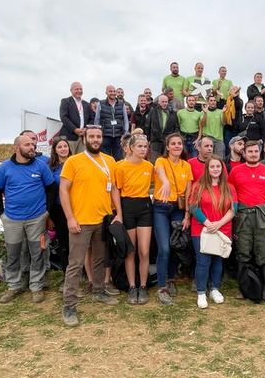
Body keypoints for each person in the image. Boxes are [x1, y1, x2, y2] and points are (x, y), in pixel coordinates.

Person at [60, 126, 124, 326]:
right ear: (85, 138)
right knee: (76, 263)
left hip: (103, 219)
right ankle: (69, 305)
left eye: (98, 136)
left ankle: (98, 291)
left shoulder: (110, 161)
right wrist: (70, 218)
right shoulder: (73, 161)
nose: (96, 139)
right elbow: (63, 190)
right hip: (81, 220)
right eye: (92, 136)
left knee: (99, 258)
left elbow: (113, 188)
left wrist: (118, 213)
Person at [0, 134, 55, 304]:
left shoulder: (41, 166)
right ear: (16, 147)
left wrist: (47, 212)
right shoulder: (5, 168)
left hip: (37, 218)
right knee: (13, 253)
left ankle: (36, 286)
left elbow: (51, 189)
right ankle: (14, 285)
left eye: (33, 145)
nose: (32, 147)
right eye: (27, 145)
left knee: (37, 253)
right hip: (12, 219)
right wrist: (2, 215)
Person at [228, 140, 265, 302]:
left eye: (256, 151)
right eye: (250, 151)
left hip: (262, 216)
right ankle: (243, 289)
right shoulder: (236, 171)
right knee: (243, 251)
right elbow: (231, 193)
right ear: (244, 153)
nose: (253, 154)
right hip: (243, 217)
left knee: (263, 251)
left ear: (260, 152)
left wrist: (262, 206)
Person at [188, 155, 237, 309]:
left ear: (222, 169)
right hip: (202, 230)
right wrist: (208, 223)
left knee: (218, 260)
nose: (215, 169)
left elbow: (233, 209)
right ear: (207, 169)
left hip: (222, 229)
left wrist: (219, 224)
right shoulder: (198, 186)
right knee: (203, 261)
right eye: (212, 167)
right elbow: (193, 207)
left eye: (218, 166)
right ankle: (201, 292)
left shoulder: (230, 187)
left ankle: (214, 289)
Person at [152, 133, 193, 305]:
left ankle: (170, 279)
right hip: (161, 208)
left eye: (179, 144)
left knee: (176, 244)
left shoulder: (186, 166)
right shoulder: (161, 161)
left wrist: (187, 216)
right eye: (173, 144)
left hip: (178, 209)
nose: (177, 146)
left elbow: (189, 193)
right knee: (164, 248)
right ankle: (162, 288)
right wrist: (165, 182)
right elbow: (160, 172)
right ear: (167, 147)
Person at [114, 133, 154, 305]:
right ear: (131, 148)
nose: (143, 149)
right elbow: (115, 189)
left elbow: (157, 182)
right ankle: (132, 286)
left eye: (145, 147)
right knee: (130, 251)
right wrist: (119, 213)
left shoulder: (149, 166)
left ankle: (143, 286)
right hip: (127, 207)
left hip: (145, 207)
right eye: (140, 146)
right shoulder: (120, 166)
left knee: (144, 251)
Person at [47, 137, 72, 273]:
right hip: (58, 209)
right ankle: (66, 272)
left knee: (77, 242)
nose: (63, 149)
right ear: (55, 150)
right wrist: (49, 216)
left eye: (65, 146)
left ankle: (82, 271)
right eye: (60, 147)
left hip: (77, 207)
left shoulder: (77, 163)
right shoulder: (50, 168)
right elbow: (48, 192)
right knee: (63, 242)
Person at [94, 85, 129, 160]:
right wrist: (98, 134)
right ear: (106, 92)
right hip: (105, 135)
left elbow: (125, 119)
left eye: (114, 91)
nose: (112, 93)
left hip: (118, 136)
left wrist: (125, 133)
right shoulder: (101, 103)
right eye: (110, 91)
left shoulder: (122, 104)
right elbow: (97, 120)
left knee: (119, 159)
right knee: (105, 158)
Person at [59, 81, 94, 154]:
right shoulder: (65, 101)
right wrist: (75, 129)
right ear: (71, 90)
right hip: (69, 137)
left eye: (81, 89)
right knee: (69, 159)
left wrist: (86, 129)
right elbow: (63, 117)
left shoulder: (87, 104)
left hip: (83, 138)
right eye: (77, 89)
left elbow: (92, 119)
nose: (79, 91)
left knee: (81, 161)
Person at [145, 94, 180, 162]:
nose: (164, 103)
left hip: (168, 141)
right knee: (154, 161)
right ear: (159, 102)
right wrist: (148, 139)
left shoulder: (173, 112)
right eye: (163, 102)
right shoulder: (153, 111)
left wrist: (173, 138)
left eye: (166, 102)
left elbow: (176, 127)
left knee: (166, 161)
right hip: (155, 141)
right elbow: (147, 125)